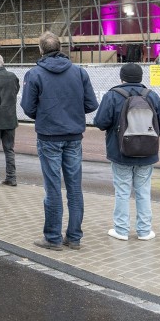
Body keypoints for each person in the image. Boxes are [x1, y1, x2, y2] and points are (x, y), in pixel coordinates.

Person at [21, 32, 98, 251]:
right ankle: (74, 237)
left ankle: (53, 237)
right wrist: (72, 112)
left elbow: (28, 107)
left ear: (41, 49)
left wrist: (46, 114)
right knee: (75, 188)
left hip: (49, 136)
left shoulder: (34, 73)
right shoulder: (79, 72)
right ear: (61, 47)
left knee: (52, 188)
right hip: (73, 136)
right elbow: (91, 104)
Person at [94, 62, 160, 242]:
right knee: (144, 191)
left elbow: (100, 122)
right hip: (147, 152)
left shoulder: (112, 95)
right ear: (141, 78)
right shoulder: (151, 96)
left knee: (122, 191)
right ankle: (144, 231)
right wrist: (148, 135)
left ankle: (121, 230)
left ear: (121, 78)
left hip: (120, 151)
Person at [0, 54, 20, 187]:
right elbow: (16, 91)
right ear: (3, 62)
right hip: (10, 118)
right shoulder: (13, 76)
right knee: (9, 149)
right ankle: (11, 177)